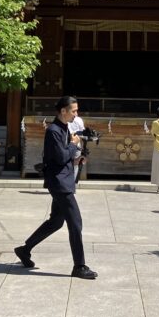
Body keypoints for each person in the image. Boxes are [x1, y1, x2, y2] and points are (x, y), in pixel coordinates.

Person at [14, 96, 98, 280]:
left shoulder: (64, 128)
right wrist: (73, 145)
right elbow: (60, 157)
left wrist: (76, 158)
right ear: (63, 111)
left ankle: (24, 249)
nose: (76, 115)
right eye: (73, 111)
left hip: (63, 179)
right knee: (75, 223)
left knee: (56, 222)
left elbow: (61, 157)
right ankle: (79, 266)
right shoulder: (53, 130)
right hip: (60, 183)